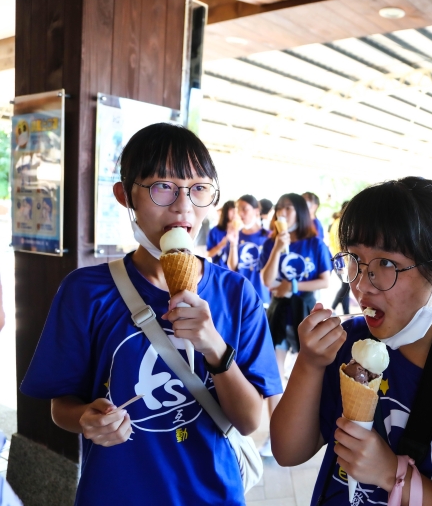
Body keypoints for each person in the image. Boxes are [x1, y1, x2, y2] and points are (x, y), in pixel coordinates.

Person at [19, 123, 282, 505]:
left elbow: (250, 421)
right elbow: (61, 407)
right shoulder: (85, 291)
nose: (183, 205)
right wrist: (86, 419)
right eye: (163, 186)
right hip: (113, 495)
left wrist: (213, 346)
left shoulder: (237, 294)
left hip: (211, 495)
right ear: (125, 195)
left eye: (198, 188)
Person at [270, 177, 432, 505]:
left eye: (386, 264)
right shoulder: (348, 343)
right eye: (354, 259)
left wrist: (392, 474)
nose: (361, 285)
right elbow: (288, 451)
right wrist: (309, 363)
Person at [260, 193, 332, 378]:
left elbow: (325, 281)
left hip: (305, 310)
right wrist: (277, 248)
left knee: (306, 368)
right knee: (274, 366)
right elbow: (268, 281)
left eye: (288, 208)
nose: (281, 213)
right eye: (279, 208)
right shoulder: (270, 244)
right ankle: (277, 398)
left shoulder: (315, 244)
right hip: (279, 310)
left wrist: (292, 286)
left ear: (300, 212)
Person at [228, 195, 271, 308]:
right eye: (238, 209)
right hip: (241, 294)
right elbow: (233, 267)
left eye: (244, 209)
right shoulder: (236, 235)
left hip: (263, 296)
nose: (240, 213)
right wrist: (233, 243)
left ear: (256, 210)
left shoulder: (269, 236)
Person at [329, 200, 353, 315]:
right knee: (346, 285)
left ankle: (346, 312)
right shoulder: (341, 223)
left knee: (346, 286)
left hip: (339, 259)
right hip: (340, 260)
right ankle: (332, 309)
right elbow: (340, 244)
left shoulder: (338, 222)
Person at [206, 200, 236, 266]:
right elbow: (208, 254)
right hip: (219, 269)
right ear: (225, 212)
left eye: (236, 210)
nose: (235, 212)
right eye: (232, 210)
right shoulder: (214, 231)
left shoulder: (239, 231)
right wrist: (222, 244)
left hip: (235, 270)